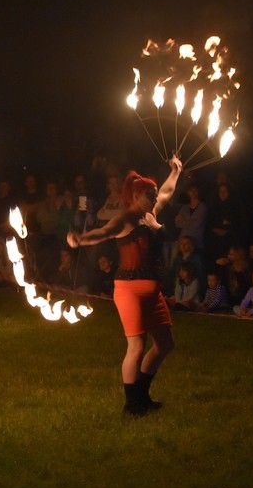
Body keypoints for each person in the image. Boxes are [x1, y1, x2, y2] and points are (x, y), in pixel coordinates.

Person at [67, 155, 183, 417]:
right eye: (150, 196)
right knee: (137, 346)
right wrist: (81, 239)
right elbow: (103, 232)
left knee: (165, 344)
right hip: (129, 289)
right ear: (136, 196)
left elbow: (166, 190)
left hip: (153, 291)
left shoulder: (151, 214)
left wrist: (176, 171)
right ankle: (132, 406)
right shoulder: (126, 219)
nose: (155, 199)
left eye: (154, 196)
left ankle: (142, 396)